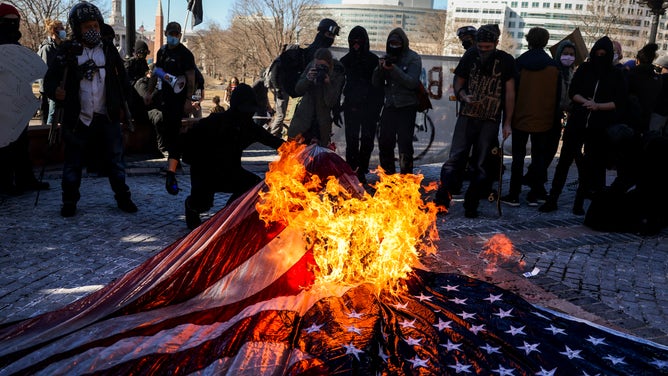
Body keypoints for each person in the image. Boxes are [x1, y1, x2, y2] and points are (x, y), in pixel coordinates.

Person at [43, 1, 136, 216]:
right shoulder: (66, 52)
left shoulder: (109, 50)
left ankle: (123, 197)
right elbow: (49, 81)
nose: (92, 30)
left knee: (116, 161)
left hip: (106, 115)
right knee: (73, 163)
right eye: (87, 27)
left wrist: (123, 106)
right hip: (78, 118)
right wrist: (55, 92)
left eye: (95, 25)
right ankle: (69, 202)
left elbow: (123, 81)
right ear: (77, 28)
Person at [433, 24, 515, 218]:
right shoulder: (470, 55)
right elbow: (458, 81)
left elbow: (510, 93)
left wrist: (507, 122)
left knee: (482, 163)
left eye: (488, 47)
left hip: (490, 118)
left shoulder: (506, 60)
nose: (484, 50)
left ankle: (471, 204)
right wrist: (463, 95)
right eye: (481, 47)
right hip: (467, 117)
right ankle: (443, 199)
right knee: (455, 159)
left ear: (496, 43)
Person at [182, 83, 284, 229]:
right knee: (202, 205)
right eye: (245, 109)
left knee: (253, 186)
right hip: (205, 172)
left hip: (230, 172)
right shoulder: (213, 122)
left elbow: (273, 141)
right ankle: (191, 207)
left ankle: (230, 214)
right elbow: (190, 145)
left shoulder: (249, 127)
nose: (248, 114)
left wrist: (299, 148)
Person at [553, 36, 626, 215]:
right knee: (564, 161)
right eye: (598, 54)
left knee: (590, 165)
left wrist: (598, 106)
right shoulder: (585, 68)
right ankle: (553, 198)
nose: (600, 57)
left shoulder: (616, 74)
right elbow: (573, 91)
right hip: (578, 121)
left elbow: (619, 101)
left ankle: (579, 201)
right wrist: (586, 102)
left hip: (598, 125)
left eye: (604, 54)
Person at [501, 27, 560, 207]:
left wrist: (508, 119)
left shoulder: (519, 63)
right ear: (546, 41)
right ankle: (536, 193)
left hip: (520, 116)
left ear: (528, 40)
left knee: (518, 157)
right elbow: (557, 96)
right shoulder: (554, 67)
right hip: (544, 118)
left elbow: (511, 92)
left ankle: (514, 194)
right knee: (539, 157)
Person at [0, 3, 50, 196]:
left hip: (17, 102)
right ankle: (4, 183)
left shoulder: (17, 47)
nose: (12, 26)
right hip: (2, 103)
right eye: (7, 22)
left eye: (15, 22)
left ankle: (24, 178)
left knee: (21, 143)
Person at [144, 21, 198, 196]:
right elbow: (156, 73)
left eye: (176, 34)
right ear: (166, 33)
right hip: (165, 98)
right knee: (167, 133)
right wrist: (149, 92)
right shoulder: (162, 52)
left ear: (179, 35)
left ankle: (172, 171)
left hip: (179, 99)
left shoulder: (186, 54)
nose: (173, 36)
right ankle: (174, 161)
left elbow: (191, 79)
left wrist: (188, 99)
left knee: (174, 133)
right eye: (170, 33)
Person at [266, 19, 340, 138]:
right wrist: (308, 78)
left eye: (333, 36)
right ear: (321, 33)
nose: (331, 38)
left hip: (321, 112)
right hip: (305, 107)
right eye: (328, 34)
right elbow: (299, 88)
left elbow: (332, 95)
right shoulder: (311, 54)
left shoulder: (331, 59)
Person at [372, 28, 422, 175]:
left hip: (407, 107)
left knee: (405, 146)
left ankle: (406, 180)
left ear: (403, 43)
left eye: (397, 43)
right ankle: (388, 179)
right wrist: (379, 68)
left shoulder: (413, 58)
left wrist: (394, 69)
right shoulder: (387, 57)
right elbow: (376, 83)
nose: (394, 46)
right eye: (391, 43)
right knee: (385, 143)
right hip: (390, 106)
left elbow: (412, 82)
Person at [538, 40, 580, 213]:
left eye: (571, 54)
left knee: (551, 151)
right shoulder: (552, 71)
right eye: (565, 53)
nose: (568, 57)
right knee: (543, 153)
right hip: (548, 116)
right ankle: (537, 185)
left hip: (560, 117)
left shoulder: (572, 73)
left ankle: (538, 182)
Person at [340, 26, 384, 183]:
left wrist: (378, 109)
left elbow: (380, 88)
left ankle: (362, 169)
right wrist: (337, 108)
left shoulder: (373, 61)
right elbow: (339, 86)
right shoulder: (345, 61)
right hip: (351, 106)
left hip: (370, 107)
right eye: (354, 40)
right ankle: (352, 170)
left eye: (359, 40)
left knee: (367, 140)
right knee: (351, 140)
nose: (356, 43)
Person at [286, 48, 345, 148]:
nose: (319, 68)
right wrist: (308, 79)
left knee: (317, 157)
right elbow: (298, 90)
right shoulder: (311, 67)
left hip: (321, 122)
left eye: (323, 66)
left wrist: (328, 84)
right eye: (317, 65)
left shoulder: (337, 73)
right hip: (304, 118)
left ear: (329, 65)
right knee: (295, 153)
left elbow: (331, 101)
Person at [38, 18, 66, 129]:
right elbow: (46, 73)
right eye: (61, 28)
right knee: (52, 115)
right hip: (52, 90)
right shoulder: (47, 49)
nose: (64, 30)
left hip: (62, 87)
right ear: (54, 31)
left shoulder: (63, 48)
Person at [650, 55, 668, 135]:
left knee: (653, 134)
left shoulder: (662, 78)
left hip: (659, 112)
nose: (656, 69)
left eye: (659, 67)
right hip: (663, 112)